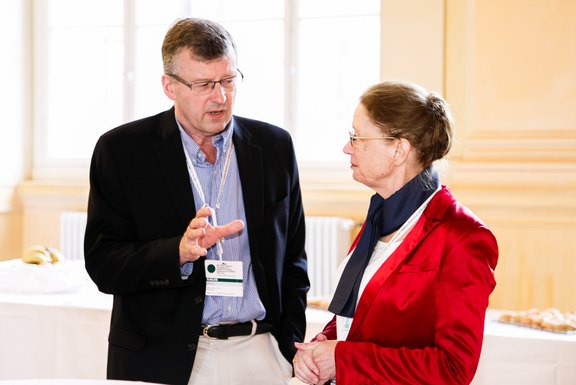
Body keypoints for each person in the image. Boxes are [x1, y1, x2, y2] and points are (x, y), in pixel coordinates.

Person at [84, 18, 309, 385]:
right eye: (204, 85)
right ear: (169, 86)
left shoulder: (274, 147)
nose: (220, 97)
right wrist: (177, 253)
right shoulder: (122, 151)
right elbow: (103, 264)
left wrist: (288, 343)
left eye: (228, 81)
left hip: (260, 350)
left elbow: (294, 263)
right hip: (163, 358)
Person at [293, 80, 498, 385]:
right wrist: (320, 346)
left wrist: (343, 359)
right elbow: (358, 313)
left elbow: (453, 369)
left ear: (399, 149)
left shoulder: (463, 237)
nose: (347, 148)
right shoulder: (380, 217)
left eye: (357, 137)